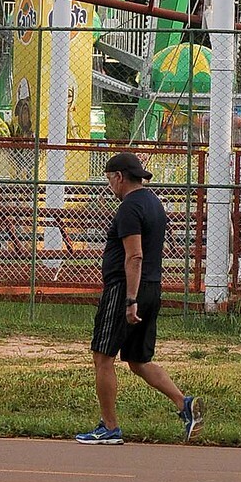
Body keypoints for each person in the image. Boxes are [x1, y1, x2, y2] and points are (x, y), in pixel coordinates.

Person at [75, 149, 203, 445]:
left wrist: (130, 301)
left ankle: (109, 427)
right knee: (137, 360)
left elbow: (134, 256)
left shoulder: (129, 208)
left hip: (125, 290)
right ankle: (183, 404)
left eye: (109, 179)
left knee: (102, 357)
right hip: (151, 287)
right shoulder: (154, 203)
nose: (110, 186)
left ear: (119, 177)